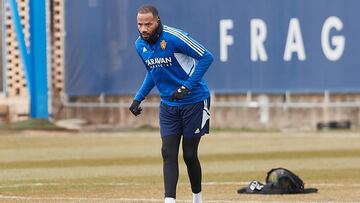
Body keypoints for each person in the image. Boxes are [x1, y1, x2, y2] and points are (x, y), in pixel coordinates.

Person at [129, 5, 214, 203]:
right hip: (168, 105)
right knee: (167, 152)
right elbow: (153, 72)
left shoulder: (175, 37)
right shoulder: (139, 45)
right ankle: (170, 200)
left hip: (195, 101)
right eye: (140, 24)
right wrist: (138, 97)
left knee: (189, 154)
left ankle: (197, 198)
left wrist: (187, 86)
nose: (143, 29)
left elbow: (206, 57)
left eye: (148, 24)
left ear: (157, 21)